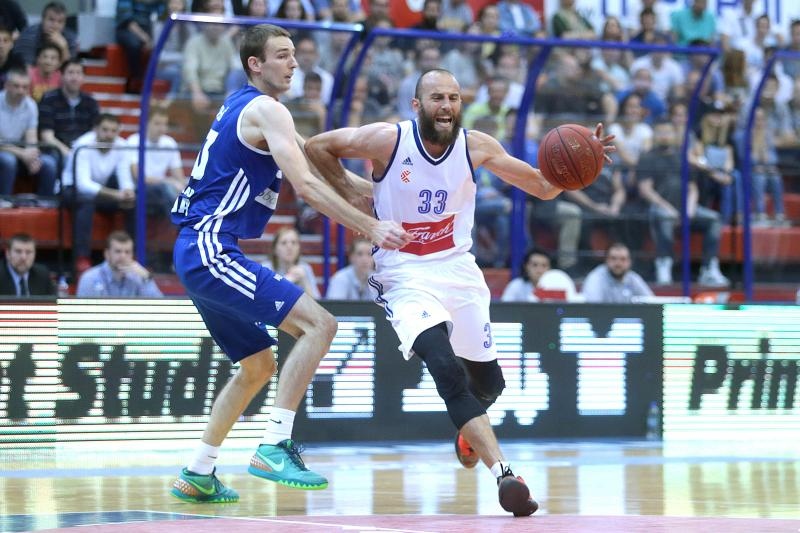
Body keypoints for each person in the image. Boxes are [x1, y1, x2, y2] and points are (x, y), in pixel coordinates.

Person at [305, 68, 615, 516]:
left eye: (452, 97)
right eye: (436, 98)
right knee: (445, 367)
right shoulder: (387, 141)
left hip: (458, 270)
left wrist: (583, 161)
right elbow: (317, 148)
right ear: (417, 106)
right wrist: (354, 193)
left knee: (490, 383)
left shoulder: (477, 146)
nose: (446, 106)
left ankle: (468, 432)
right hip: (404, 273)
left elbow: (544, 187)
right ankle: (505, 475)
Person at [168, 24, 411, 503]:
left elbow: (317, 162)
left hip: (198, 248)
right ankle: (275, 443)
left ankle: (198, 471)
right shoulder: (266, 108)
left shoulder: (250, 106)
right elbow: (307, 187)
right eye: (282, 55)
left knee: (257, 366)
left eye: (295, 54)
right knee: (321, 326)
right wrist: (370, 226)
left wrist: (378, 194)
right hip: (210, 245)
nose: (294, 63)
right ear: (255, 64)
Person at [61, 113, 135, 272]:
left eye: (113, 131)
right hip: (70, 189)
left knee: (132, 204)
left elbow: (124, 176)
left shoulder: (122, 146)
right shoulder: (82, 145)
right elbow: (82, 185)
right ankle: (82, 258)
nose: (109, 135)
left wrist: (128, 192)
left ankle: (132, 258)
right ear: (95, 129)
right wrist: (116, 195)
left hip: (100, 192)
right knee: (86, 201)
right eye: (105, 130)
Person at [0, 68, 57, 196]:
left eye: (25, 87)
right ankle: (4, 201)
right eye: (16, 86)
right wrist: (22, 154)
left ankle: (44, 205)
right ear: (6, 86)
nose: (21, 91)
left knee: (49, 163)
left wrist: (32, 156)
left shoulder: (31, 105)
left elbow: (31, 138)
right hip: (4, 151)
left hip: (20, 151)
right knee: (8, 161)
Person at [126, 106, 186, 219]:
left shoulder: (170, 143)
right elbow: (138, 177)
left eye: (164, 124)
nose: (162, 128)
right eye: (157, 124)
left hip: (162, 190)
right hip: (141, 190)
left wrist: (183, 188)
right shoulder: (133, 141)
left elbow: (179, 177)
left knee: (188, 187)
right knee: (165, 188)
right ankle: (180, 224)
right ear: (146, 123)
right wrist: (168, 182)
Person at [76, 231, 163, 297]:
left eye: (127, 252)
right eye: (118, 251)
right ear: (107, 254)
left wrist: (146, 276)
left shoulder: (138, 277)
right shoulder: (90, 278)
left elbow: (161, 308)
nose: (123, 256)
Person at [581, 242, 653, 303]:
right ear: (606, 260)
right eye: (613, 258)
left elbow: (651, 302)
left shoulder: (632, 278)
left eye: (623, 259)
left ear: (629, 262)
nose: (618, 263)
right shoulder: (595, 278)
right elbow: (593, 309)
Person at [13, 2, 78, 66]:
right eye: (51, 20)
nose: (55, 25)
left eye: (60, 21)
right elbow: (27, 68)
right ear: (43, 19)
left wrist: (64, 48)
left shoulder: (69, 37)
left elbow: (70, 70)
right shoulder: (29, 35)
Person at [262, 226, 320, 298]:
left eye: (294, 243)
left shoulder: (305, 268)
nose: (289, 247)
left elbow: (317, 304)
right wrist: (286, 281)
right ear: (274, 249)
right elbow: (264, 300)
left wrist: (304, 281)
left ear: (299, 248)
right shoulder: (266, 269)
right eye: (284, 243)